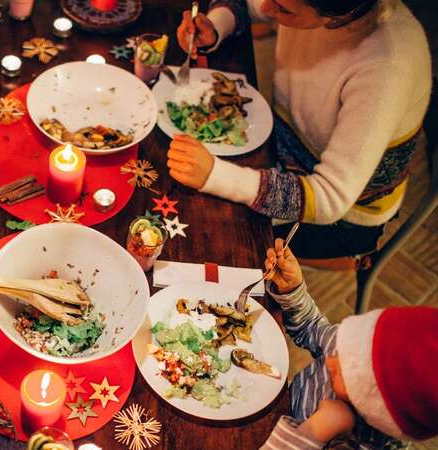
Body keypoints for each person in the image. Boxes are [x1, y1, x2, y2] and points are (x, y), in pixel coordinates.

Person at [168, 0, 431, 263]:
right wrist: (216, 25)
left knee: (203, 233)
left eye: (283, 10)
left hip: (343, 216)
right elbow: (249, 5)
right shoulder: (300, 4)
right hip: (278, 150)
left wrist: (216, 176)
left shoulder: (386, 67)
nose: (268, 8)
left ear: (340, 13)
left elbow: (330, 199)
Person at [259, 237, 438, 449]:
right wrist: (292, 289)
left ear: (373, 408)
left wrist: (316, 430)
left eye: (343, 371)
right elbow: (311, 326)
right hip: (268, 398)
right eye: (343, 348)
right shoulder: (346, 348)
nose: (330, 361)